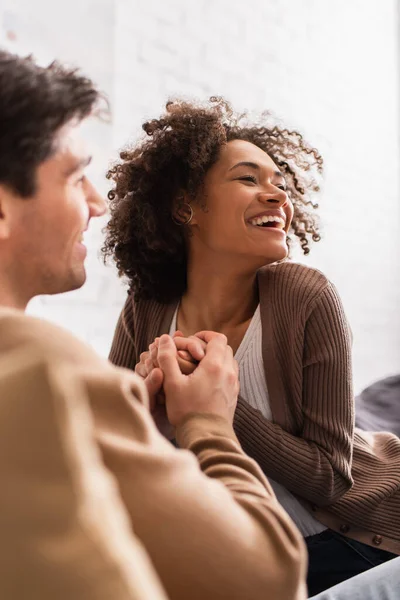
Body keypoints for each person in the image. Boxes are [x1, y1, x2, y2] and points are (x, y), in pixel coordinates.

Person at [0, 50, 308, 600]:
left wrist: (132, 423)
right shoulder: (51, 365)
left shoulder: (305, 294)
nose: (96, 203)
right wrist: (211, 423)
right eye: (75, 178)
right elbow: (270, 578)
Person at [104, 97, 400, 596]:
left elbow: (331, 480)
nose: (276, 197)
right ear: (184, 207)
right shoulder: (148, 306)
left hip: (352, 535)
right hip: (236, 543)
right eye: (248, 179)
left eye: (280, 186)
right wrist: (145, 401)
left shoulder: (305, 296)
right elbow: (109, 445)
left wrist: (218, 406)